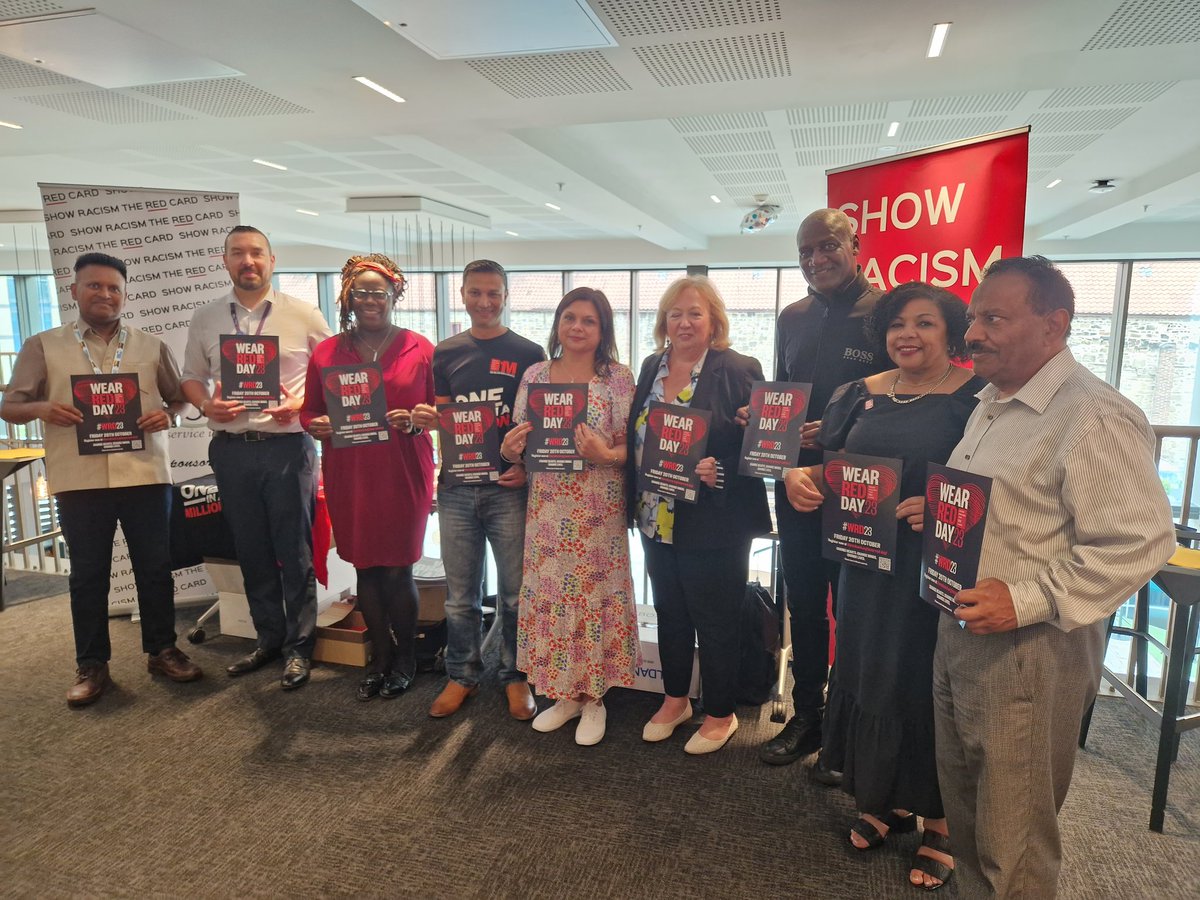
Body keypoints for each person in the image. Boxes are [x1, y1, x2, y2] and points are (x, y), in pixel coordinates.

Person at [928, 256, 1175, 897]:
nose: (973, 332)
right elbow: (1015, 510)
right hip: (962, 633)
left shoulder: (1092, 414)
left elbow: (1140, 539)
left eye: (994, 318)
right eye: (974, 317)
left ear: (1054, 324)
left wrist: (1028, 599)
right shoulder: (988, 403)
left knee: (1014, 838)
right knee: (967, 814)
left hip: (1031, 651)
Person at [783, 282, 983, 890]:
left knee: (925, 687)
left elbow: (995, 484)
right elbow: (837, 464)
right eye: (898, 324)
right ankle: (885, 800)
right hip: (864, 566)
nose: (909, 335)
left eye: (925, 323)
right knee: (869, 674)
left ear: (950, 332)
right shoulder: (858, 394)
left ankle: (941, 824)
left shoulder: (978, 400)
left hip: (935, 575)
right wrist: (799, 475)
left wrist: (945, 504)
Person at [1, 252, 202, 706]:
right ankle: (92, 664)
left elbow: (182, 401)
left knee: (155, 569)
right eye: (94, 286)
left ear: (124, 294)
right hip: (80, 479)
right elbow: (10, 406)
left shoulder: (150, 346)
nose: (105, 295)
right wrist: (42, 409)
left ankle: (162, 649)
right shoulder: (43, 345)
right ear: (74, 291)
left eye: (114, 288)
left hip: (145, 476)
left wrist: (168, 415)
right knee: (88, 575)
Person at [759, 208, 889, 770]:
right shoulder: (792, 317)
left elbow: (905, 401)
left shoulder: (887, 312)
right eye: (806, 252)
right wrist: (785, 465)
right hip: (799, 488)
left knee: (857, 613)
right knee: (807, 607)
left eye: (828, 246)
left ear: (855, 244)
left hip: (866, 489)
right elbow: (781, 406)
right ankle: (808, 715)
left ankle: (847, 731)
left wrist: (839, 442)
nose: (816, 259)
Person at [181, 225, 331, 691]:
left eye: (257, 253)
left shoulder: (303, 314)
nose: (249, 261)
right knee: (251, 550)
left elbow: (332, 372)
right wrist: (207, 405)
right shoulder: (206, 318)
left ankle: (299, 648)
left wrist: (303, 404)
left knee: (295, 550)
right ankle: (268, 639)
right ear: (225, 261)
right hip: (230, 450)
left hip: (287, 448)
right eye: (238, 254)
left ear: (272, 259)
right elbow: (191, 377)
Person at [629, 276, 771, 754]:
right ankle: (675, 699)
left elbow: (766, 447)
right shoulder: (651, 366)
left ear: (714, 321)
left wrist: (721, 469)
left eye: (694, 313)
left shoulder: (738, 368)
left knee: (715, 618)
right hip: (656, 514)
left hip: (714, 518)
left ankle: (720, 712)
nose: (684, 322)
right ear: (663, 322)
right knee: (670, 611)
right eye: (675, 314)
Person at [499, 287, 638, 746]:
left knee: (591, 598)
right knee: (555, 596)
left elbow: (633, 449)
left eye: (589, 321)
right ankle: (564, 694)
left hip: (597, 512)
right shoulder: (536, 374)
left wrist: (604, 454)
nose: (577, 327)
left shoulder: (617, 378)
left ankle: (593, 697)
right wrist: (509, 450)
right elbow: (520, 443)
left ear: (603, 331)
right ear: (558, 323)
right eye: (569, 318)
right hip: (547, 509)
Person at [412, 260, 544, 720]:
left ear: (506, 296)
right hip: (456, 489)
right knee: (459, 595)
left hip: (508, 488)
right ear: (463, 295)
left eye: (493, 293)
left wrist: (525, 466)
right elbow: (446, 417)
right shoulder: (444, 353)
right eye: (475, 293)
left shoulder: (530, 353)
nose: (484, 302)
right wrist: (427, 420)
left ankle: (515, 675)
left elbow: (540, 425)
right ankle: (461, 675)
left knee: (513, 594)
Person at [300, 254, 434, 702]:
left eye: (380, 291)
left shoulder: (420, 348)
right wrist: (315, 424)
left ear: (395, 294)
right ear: (348, 297)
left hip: (402, 472)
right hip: (351, 473)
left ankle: (406, 660)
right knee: (365, 570)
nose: (371, 299)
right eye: (362, 292)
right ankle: (379, 658)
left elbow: (438, 412)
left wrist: (417, 419)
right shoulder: (326, 352)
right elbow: (308, 411)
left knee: (398, 569)